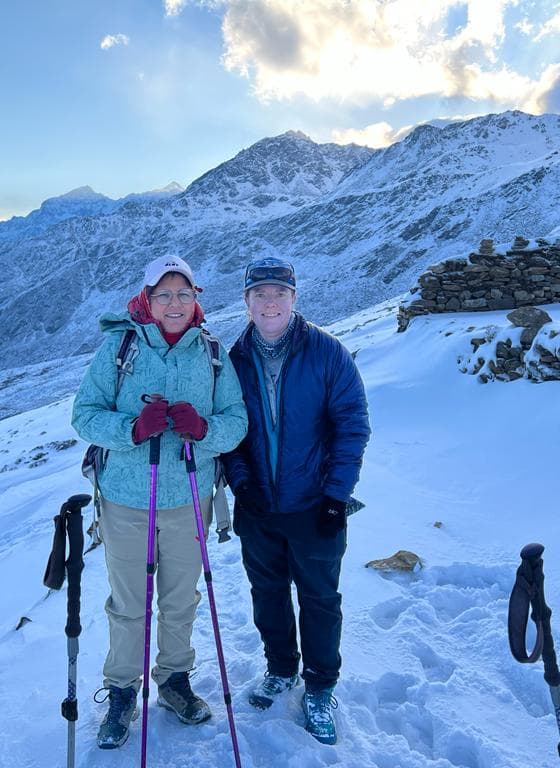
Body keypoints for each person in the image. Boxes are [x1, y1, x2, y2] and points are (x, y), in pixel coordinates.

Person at [71, 255, 248, 750]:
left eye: (184, 294)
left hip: (190, 498)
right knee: (128, 603)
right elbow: (84, 415)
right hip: (126, 498)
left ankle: (173, 680)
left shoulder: (211, 352)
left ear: (197, 301)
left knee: (180, 600)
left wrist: (205, 430)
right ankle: (123, 689)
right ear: (147, 300)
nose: (175, 303)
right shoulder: (120, 346)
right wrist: (129, 430)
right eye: (164, 294)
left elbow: (236, 420)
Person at [222, 256, 371, 745]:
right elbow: (231, 433)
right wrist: (241, 484)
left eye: (278, 293)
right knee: (267, 594)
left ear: (294, 298)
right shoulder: (233, 360)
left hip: (315, 506)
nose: (269, 303)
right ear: (246, 302)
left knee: (320, 600)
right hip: (258, 506)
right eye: (259, 294)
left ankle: (321, 687)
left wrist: (335, 496)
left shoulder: (327, 353)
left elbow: (352, 426)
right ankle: (281, 668)